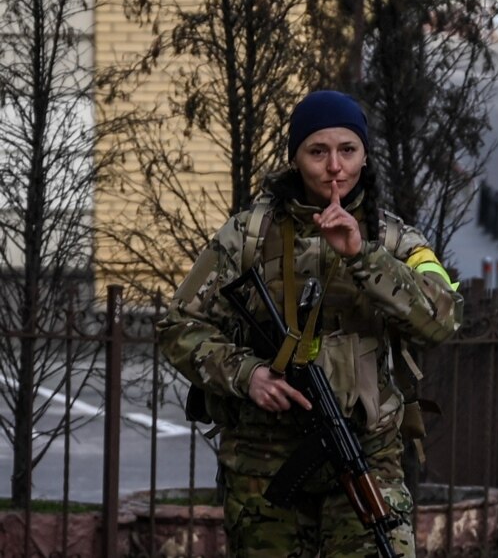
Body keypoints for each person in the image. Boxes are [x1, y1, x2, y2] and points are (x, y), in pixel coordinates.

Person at [158, 90, 463, 557]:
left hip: (365, 453)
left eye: (348, 150)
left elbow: (443, 320)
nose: (334, 166)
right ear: (296, 159)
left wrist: (364, 257)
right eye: (317, 151)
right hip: (265, 461)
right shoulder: (249, 235)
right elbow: (179, 325)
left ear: (364, 157)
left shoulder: (394, 239)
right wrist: (248, 374)